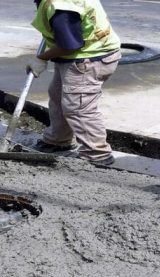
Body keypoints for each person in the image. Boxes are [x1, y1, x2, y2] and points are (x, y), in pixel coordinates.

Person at [27, 0, 121, 165]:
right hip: (78, 56)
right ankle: (58, 140)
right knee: (57, 94)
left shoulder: (61, 7)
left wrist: (42, 58)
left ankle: (97, 155)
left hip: (88, 59)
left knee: (78, 108)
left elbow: (69, 44)